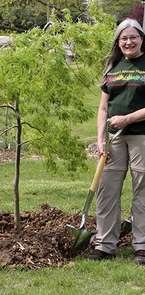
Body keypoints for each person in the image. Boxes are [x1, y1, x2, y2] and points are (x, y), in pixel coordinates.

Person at [87, 18, 145, 265]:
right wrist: (101, 140)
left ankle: (142, 247)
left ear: (141, 38)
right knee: (107, 189)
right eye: (124, 38)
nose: (128, 41)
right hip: (114, 139)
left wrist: (128, 118)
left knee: (142, 190)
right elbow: (102, 108)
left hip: (142, 135)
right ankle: (105, 245)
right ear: (118, 41)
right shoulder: (113, 66)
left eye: (133, 37)